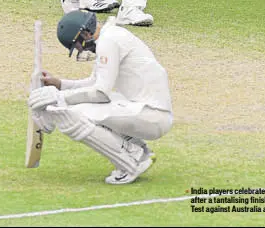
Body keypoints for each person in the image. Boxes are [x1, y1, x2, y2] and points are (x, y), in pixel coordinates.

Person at [28, 10, 173, 185]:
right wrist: (59, 85)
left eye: (78, 46)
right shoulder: (109, 36)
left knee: (72, 114)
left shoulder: (108, 41)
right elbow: (94, 83)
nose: (81, 50)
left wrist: (59, 98)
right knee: (76, 108)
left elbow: (100, 93)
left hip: (151, 114)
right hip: (144, 110)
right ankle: (138, 151)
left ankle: (131, 163)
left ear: (84, 33)